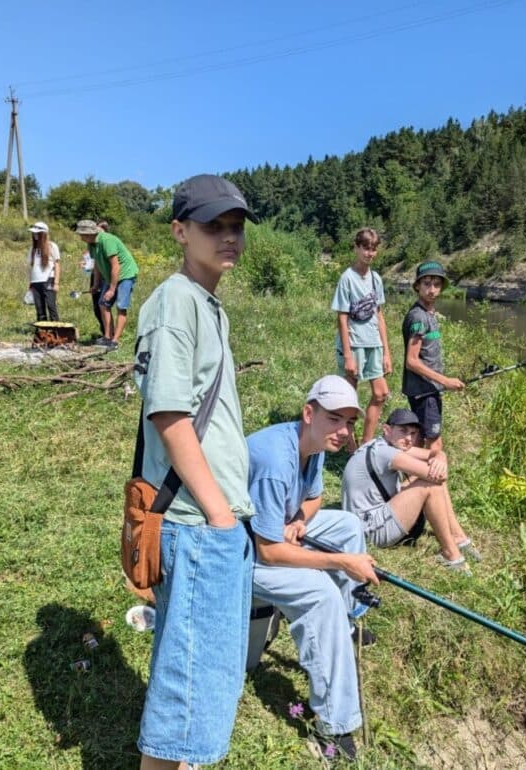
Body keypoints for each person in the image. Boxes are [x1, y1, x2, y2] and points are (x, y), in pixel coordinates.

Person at [133, 174, 258, 770]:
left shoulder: (208, 304)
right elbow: (170, 414)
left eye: (235, 227)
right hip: (199, 522)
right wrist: (218, 513)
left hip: (215, 518)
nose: (228, 237)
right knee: (184, 702)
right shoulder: (177, 300)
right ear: (180, 231)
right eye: (213, 226)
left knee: (199, 686)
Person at [247, 375, 379, 762]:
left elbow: (316, 495)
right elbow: (268, 552)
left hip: (272, 532)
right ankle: (334, 726)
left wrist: (301, 519)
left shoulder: (315, 444)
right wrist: (340, 562)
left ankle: (348, 623)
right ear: (309, 413)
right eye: (335, 419)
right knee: (320, 595)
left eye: (350, 422)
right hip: (242, 553)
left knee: (348, 526)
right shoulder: (274, 459)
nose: (344, 430)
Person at [342, 408, 480, 572]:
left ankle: (458, 537)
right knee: (430, 485)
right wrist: (439, 462)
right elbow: (439, 476)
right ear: (387, 430)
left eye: (413, 433)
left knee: (429, 478)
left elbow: (433, 453)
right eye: (403, 431)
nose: (409, 438)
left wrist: (440, 456)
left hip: (366, 522)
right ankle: (452, 555)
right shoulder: (386, 453)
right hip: (370, 533)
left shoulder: (381, 444)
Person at [331, 227, 391, 449]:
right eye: (365, 248)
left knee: (381, 393)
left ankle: (365, 443)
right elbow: (342, 317)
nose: (369, 253)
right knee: (348, 397)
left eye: (374, 249)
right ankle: (348, 445)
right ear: (356, 248)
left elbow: (379, 315)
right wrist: (348, 355)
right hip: (354, 344)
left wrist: (387, 351)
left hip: (373, 344)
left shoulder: (376, 278)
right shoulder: (347, 278)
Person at [402, 261, 465, 453]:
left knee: (419, 437)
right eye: (427, 284)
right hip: (424, 391)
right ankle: (425, 478)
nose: (432, 289)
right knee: (434, 443)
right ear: (417, 286)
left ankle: (412, 478)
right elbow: (411, 361)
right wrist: (445, 381)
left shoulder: (430, 313)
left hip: (428, 389)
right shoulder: (418, 317)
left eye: (436, 284)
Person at [75, 218, 138, 350]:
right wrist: (96, 284)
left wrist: (112, 289)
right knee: (103, 304)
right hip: (111, 276)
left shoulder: (107, 241)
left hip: (125, 274)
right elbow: (97, 265)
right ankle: (107, 337)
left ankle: (115, 341)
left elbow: (116, 267)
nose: (80, 237)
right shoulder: (91, 244)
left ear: (89, 233)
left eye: (81, 234)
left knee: (121, 306)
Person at [26, 221, 61, 322]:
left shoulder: (52, 246)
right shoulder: (32, 249)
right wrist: (30, 283)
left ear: (44, 233)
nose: (35, 235)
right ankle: (42, 332)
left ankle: (56, 330)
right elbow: (32, 267)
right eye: (34, 233)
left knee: (51, 306)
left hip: (48, 279)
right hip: (35, 282)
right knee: (39, 308)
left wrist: (56, 283)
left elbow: (57, 265)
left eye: (37, 233)